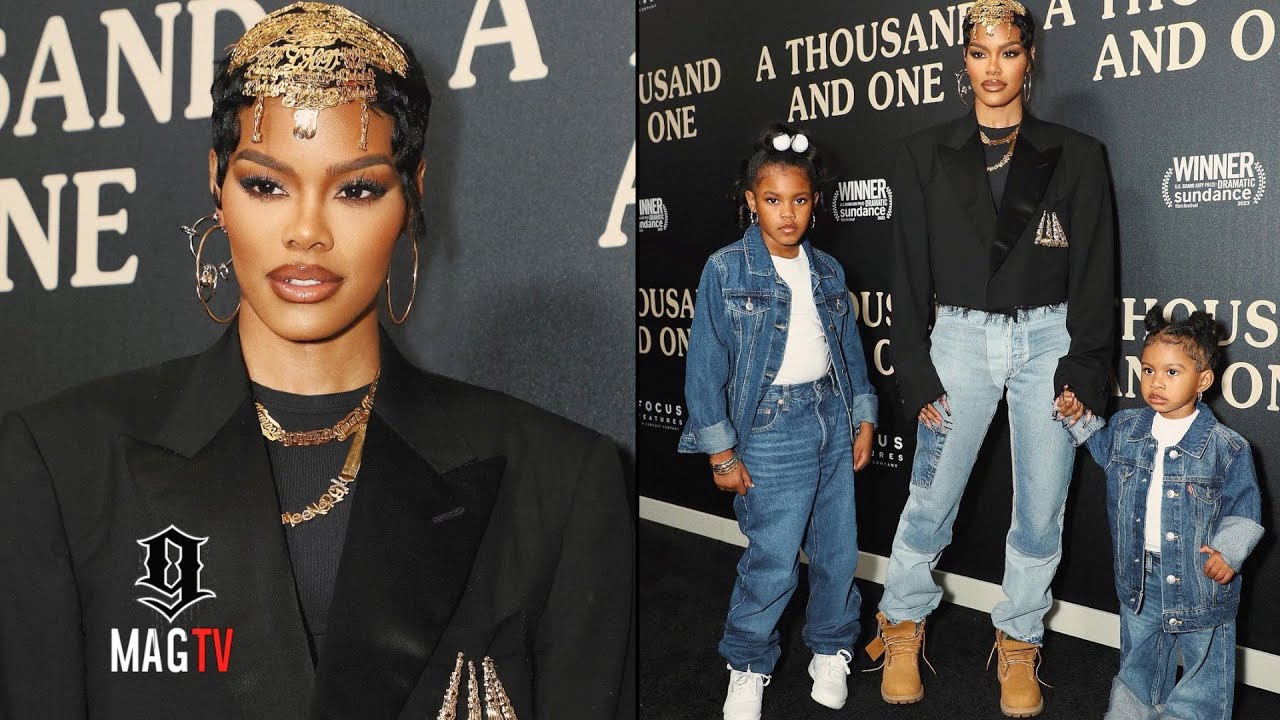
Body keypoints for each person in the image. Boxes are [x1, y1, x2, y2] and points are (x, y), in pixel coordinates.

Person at [0, 4, 634, 719]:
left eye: (357, 188)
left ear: (413, 194)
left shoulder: (559, 482)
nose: (306, 232)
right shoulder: (61, 465)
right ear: (218, 184)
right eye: (266, 185)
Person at [868, 0, 1115, 716]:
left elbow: (1094, 271)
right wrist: (913, 366)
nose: (994, 68)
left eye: (1008, 52)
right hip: (959, 340)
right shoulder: (922, 153)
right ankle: (904, 621)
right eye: (980, 53)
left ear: (1029, 58)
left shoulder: (1077, 155)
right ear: (963, 61)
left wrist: (1085, 367)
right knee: (931, 498)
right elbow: (908, 271)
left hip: (1051, 340)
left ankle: (1017, 639)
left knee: (1041, 509)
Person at [678, 123, 878, 720]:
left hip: (830, 419)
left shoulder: (830, 272)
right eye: (772, 200)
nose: (787, 213)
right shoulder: (726, 270)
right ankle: (746, 662)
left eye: (800, 199)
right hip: (769, 431)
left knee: (840, 552)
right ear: (750, 201)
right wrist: (720, 452)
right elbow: (704, 368)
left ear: (815, 203)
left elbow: (848, 352)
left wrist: (862, 417)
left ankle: (831, 649)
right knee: (772, 559)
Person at [1057, 307, 1263, 720]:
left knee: (1203, 669)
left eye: (1172, 372)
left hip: (1200, 578)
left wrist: (1229, 552)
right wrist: (1076, 417)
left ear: (1202, 380)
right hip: (1140, 575)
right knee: (1138, 661)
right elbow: (1100, 447)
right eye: (1148, 370)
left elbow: (1245, 508)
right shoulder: (1126, 428)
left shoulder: (1227, 446)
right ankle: (1130, 713)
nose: (1156, 382)